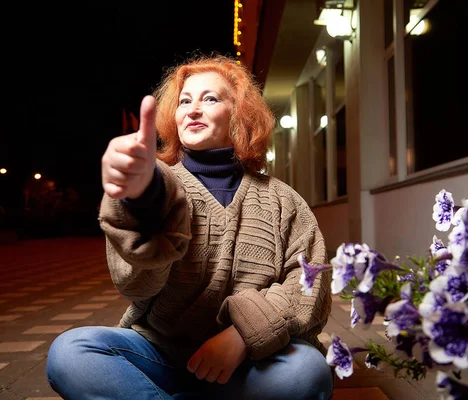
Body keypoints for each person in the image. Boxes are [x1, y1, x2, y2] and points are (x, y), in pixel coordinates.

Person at [46, 55, 333, 399]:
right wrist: (142, 199)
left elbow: (310, 283)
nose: (192, 109)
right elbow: (137, 284)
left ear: (239, 113)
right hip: (160, 356)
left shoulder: (283, 200)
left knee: (307, 373)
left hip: (247, 363)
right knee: (72, 352)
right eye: (185, 101)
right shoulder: (161, 186)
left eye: (209, 98)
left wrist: (243, 335)